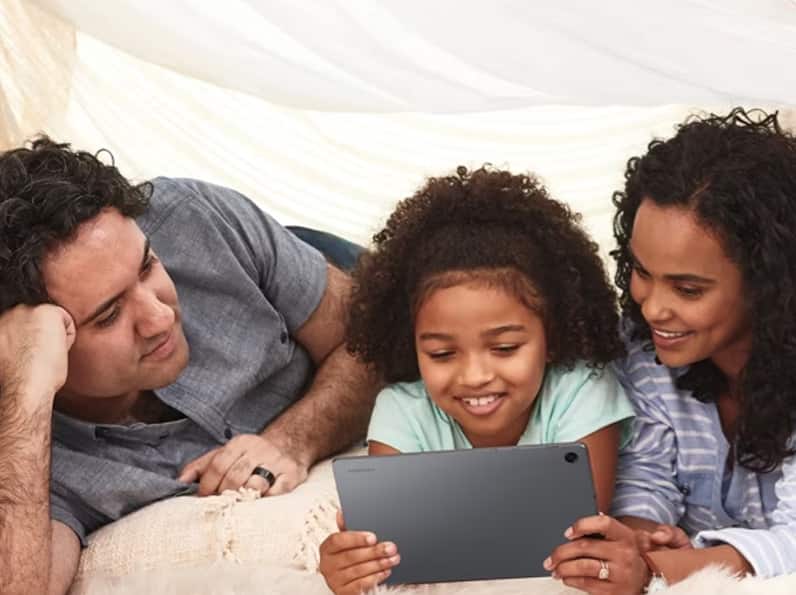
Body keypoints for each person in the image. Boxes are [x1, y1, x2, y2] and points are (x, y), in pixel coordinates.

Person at [0, 137, 379, 595]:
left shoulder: (193, 216)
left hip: (319, 265)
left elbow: (372, 339)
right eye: (108, 315)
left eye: (147, 267)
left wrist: (294, 439)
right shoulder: (30, 449)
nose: (159, 317)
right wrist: (25, 388)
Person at [317, 166, 635, 595]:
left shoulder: (582, 390)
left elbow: (578, 534)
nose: (475, 377)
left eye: (504, 348)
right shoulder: (401, 408)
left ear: (552, 337)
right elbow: (391, 548)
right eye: (442, 354)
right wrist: (354, 564)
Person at [546, 108, 796, 594]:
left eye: (687, 289)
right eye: (642, 272)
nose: (654, 308)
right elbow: (644, 477)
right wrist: (634, 540)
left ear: (769, 284)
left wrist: (659, 572)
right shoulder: (643, 350)